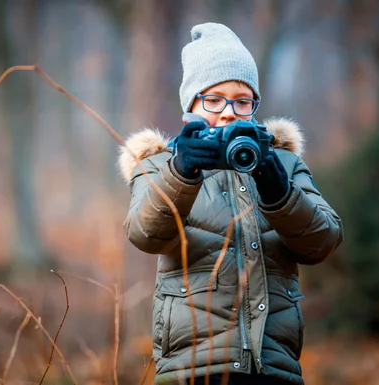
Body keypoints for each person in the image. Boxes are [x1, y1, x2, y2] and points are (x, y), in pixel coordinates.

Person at [118, 22, 343, 385]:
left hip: (273, 365)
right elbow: (146, 234)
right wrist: (182, 170)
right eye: (213, 99)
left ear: (254, 106)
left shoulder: (282, 164)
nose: (227, 112)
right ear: (190, 106)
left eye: (242, 100)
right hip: (192, 368)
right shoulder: (159, 165)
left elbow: (324, 241)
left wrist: (277, 189)